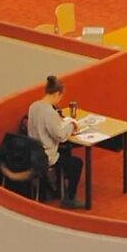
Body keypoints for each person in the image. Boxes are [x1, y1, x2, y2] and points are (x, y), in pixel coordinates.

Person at [27, 75, 85, 209]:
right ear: (57, 94)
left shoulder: (33, 106)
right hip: (46, 156)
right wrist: (72, 125)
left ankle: (58, 188)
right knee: (76, 163)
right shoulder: (49, 112)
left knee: (65, 154)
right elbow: (60, 136)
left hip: (33, 153)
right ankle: (70, 198)